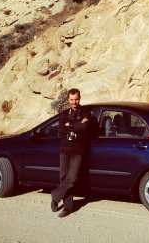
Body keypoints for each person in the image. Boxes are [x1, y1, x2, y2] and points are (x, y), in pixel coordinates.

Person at [51, 88, 91, 218]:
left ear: (80, 98)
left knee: (72, 178)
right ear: (68, 100)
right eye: (72, 100)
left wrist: (70, 125)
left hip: (78, 150)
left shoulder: (86, 113)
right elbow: (61, 129)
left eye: (77, 99)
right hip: (65, 150)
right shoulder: (63, 115)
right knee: (63, 178)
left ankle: (55, 196)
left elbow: (85, 128)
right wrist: (77, 125)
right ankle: (68, 207)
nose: (74, 102)